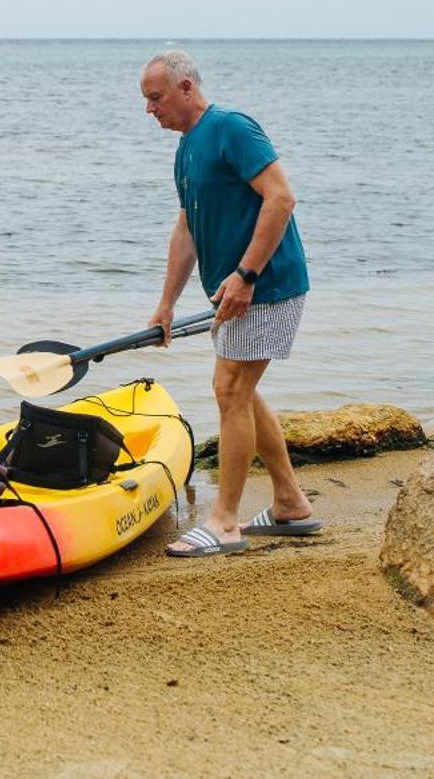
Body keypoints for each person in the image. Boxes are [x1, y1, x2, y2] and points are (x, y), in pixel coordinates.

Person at [139, 49, 318, 557]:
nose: (150, 109)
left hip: (266, 285)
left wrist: (246, 274)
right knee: (242, 390)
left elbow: (280, 197)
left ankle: (224, 523)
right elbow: (187, 228)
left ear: (187, 88)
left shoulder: (232, 129)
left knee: (230, 389)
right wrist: (166, 304)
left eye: (156, 98)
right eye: (147, 100)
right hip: (235, 292)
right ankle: (290, 503)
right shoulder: (186, 149)